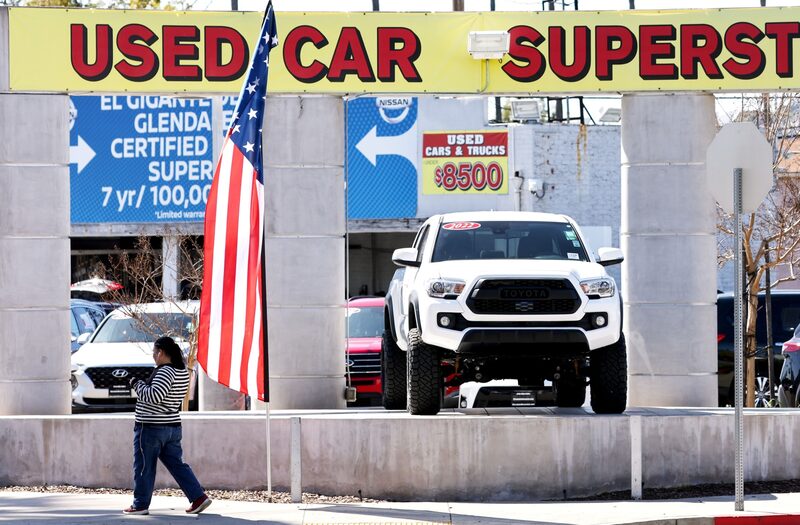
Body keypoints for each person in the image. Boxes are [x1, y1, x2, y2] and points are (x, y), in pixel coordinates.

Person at [122, 336, 212, 516]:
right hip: (172, 428)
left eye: (154, 353)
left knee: (144, 466)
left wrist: (136, 383)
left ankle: (140, 504)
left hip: (151, 427)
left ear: (161, 353)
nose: (153, 356)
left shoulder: (165, 371)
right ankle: (198, 497)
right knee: (177, 465)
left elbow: (154, 396)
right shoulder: (183, 371)